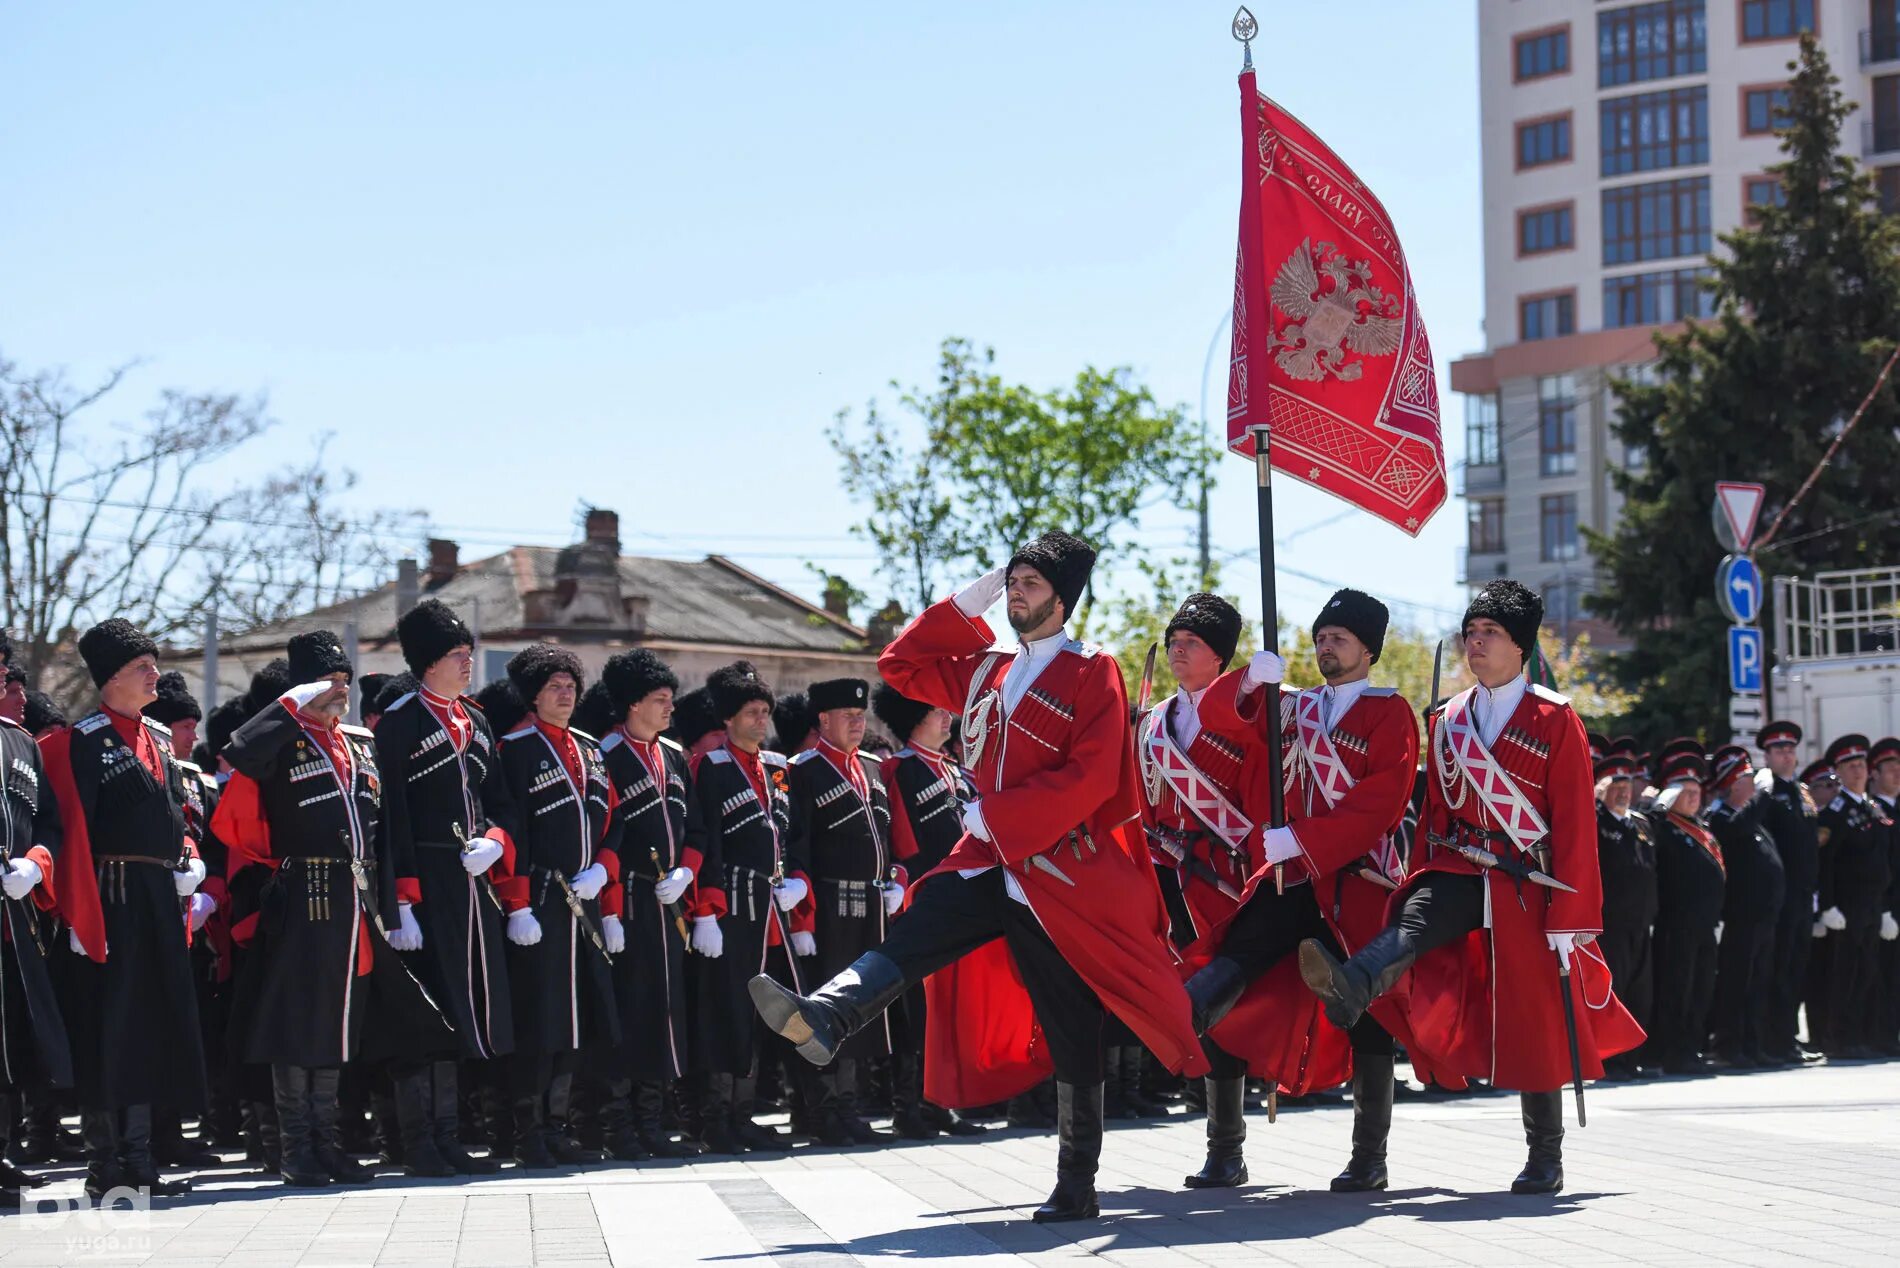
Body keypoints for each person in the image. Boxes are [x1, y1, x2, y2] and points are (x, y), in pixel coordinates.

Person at [749, 532, 1209, 1222]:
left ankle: (1076, 1184)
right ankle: (827, 1013)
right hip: (989, 859)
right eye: (1014, 580)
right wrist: (975, 596)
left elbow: (1090, 776)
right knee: (918, 931)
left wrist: (1003, 816)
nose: (1018, 592)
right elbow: (900, 664)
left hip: (1060, 874)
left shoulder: (1094, 670)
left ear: (1062, 598)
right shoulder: (988, 669)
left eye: (1029, 583)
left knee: (1071, 1028)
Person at [1298, 580, 1641, 1195]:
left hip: (1529, 883)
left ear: (1521, 647)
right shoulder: (1449, 718)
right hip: (1461, 866)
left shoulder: (1555, 718)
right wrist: (1419, 869)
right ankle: (1352, 981)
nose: (1475, 644)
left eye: (1489, 635)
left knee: (1537, 1020)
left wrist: (1572, 916)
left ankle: (1544, 1157)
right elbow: (1434, 815)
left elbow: (1574, 823)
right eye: (1470, 633)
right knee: (1411, 920)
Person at [1178, 589, 1419, 1193]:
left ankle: (1369, 1159)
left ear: (1369, 650)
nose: (1325, 647)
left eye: (1339, 638)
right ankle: (1221, 1142)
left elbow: (1381, 802)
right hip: (1288, 878)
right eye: (1320, 637)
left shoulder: (1390, 713)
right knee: (1231, 974)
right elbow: (1224, 724)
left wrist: (1307, 840)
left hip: (1353, 879)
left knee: (1367, 1015)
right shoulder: (1293, 707)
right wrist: (1246, 686)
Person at [214, 630, 455, 1186]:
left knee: (340, 1023)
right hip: (306, 894)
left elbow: (386, 831)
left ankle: (327, 1143)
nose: (339, 691)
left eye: (344, 680)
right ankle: (297, 1149)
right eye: (327, 683)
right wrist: (288, 707)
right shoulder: (279, 739)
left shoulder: (359, 743)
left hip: (358, 899)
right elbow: (237, 763)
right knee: (299, 1022)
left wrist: (397, 904)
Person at [40, 620, 209, 1199]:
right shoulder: (81, 741)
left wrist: (187, 856)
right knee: (110, 1026)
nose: (155, 675)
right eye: (144, 666)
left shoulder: (159, 737)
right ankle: (105, 1160)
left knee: (151, 1024)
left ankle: (140, 1157)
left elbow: (174, 815)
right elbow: (72, 831)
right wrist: (79, 916)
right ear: (112, 677)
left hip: (157, 894)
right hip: (110, 896)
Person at [373, 599, 517, 1175]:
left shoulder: (477, 720)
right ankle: (419, 1140)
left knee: (466, 1010)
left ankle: (450, 1134)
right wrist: (402, 899)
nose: (467, 664)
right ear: (428, 662)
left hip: (471, 879)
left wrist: (498, 843)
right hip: (426, 880)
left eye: (468, 654)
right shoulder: (402, 720)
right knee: (427, 1010)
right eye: (458, 655)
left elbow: (499, 800)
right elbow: (393, 815)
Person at [488, 643, 621, 1167]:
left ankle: (560, 1124)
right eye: (553, 688)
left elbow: (616, 823)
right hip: (540, 899)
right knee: (541, 1018)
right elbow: (509, 824)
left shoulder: (590, 750)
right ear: (532, 695)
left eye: (570, 687)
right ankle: (528, 1129)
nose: (564, 696)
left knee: (578, 1019)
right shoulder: (514, 750)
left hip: (583, 901)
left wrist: (606, 877)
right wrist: (516, 903)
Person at [688, 660, 810, 1154]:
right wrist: (708, 910)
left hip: (774, 910)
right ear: (729, 719)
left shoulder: (779, 770)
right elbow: (707, 842)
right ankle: (716, 1117)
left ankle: (744, 1111)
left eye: (765, 711)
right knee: (729, 1011)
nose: (761, 720)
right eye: (752, 712)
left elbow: (796, 837)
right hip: (733, 907)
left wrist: (800, 884)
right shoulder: (711, 768)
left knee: (762, 1013)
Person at [785, 677, 905, 1146]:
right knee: (825, 1008)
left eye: (861, 716)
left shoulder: (873, 768)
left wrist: (897, 877)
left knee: (860, 1010)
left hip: (872, 906)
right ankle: (822, 1110)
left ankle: (849, 1105)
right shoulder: (802, 771)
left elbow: (891, 839)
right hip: (830, 908)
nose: (858, 723)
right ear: (823, 720)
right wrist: (804, 920)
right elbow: (796, 849)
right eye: (847, 716)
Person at [594, 648, 703, 1159]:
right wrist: (611, 910)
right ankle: (618, 1123)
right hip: (630, 898)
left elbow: (698, 829)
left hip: (670, 901)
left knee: (666, 1011)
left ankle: (654, 1116)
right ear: (633, 704)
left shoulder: (675, 755)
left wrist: (689, 873)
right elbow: (605, 836)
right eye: (660, 700)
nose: (668, 709)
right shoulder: (605, 753)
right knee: (630, 1009)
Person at [872, 682, 985, 1140]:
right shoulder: (898, 768)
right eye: (936, 710)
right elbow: (903, 837)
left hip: (960, 901)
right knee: (916, 1012)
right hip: (923, 901)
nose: (946, 717)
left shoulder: (953, 769)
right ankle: (909, 1105)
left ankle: (942, 1102)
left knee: (948, 1013)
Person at [0, 697, 68, 1200]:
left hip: (13, 917)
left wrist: (35, 865)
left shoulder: (21, 742)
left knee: (13, 1043)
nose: (16, 693)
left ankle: (4, 1147)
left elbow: (48, 823)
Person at [1704, 746, 1785, 1068]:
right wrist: (1763, 796)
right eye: (1748, 778)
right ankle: (1729, 1046)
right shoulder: (1721, 817)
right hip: (1740, 917)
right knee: (1737, 983)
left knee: (1758, 981)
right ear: (1734, 783)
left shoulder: (1751, 819)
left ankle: (1753, 1045)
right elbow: (1737, 829)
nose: (1754, 784)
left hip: (1763, 918)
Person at [1814, 734, 1892, 1060]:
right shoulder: (1835, 812)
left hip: (1873, 905)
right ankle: (1840, 1038)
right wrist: (1827, 906)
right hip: (1846, 906)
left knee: (1867, 972)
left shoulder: (1873, 808)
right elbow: (1826, 863)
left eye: (1861, 765)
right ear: (1839, 773)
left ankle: (1861, 1034)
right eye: (1851, 766)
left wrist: (1886, 908)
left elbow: (1883, 860)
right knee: (1843, 975)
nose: (1858, 771)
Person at [1646, 755, 1724, 1075]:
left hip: (1705, 925)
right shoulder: (1663, 827)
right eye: (1685, 792)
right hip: (1676, 924)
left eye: (1696, 792)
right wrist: (1657, 807)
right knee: (1677, 989)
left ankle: (1691, 1048)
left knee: (1701, 988)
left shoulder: (1702, 827)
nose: (1693, 797)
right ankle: (1673, 1052)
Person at [1754, 721, 1820, 1065]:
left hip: (1802, 894)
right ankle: (1772, 1039)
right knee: (1776, 966)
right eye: (1779, 750)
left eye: (1791, 749)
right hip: (1778, 895)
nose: (1787, 755)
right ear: (1767, 755)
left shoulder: (1802, 792)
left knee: (1796, 966)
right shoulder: (1765, 792)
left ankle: (1788, 1037)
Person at [1594, 755, 1656, 1080]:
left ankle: (1632, 1060)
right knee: (1613, 996)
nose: (1622, 792)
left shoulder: (1640, 823)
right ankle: (1611, 1061)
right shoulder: (1596, 821)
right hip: (1612, 925)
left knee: (1639, 995)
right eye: (1615, 786)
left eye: (1626, 785)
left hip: (1640, 923)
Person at [1869, 737, 1900, 1056]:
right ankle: (1882, 1035)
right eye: (1890, 768)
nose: (1897, 773)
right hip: (1885, 906)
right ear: (1874, 774)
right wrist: (1885, 909)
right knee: (1885, 975)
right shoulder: (1872, 812)